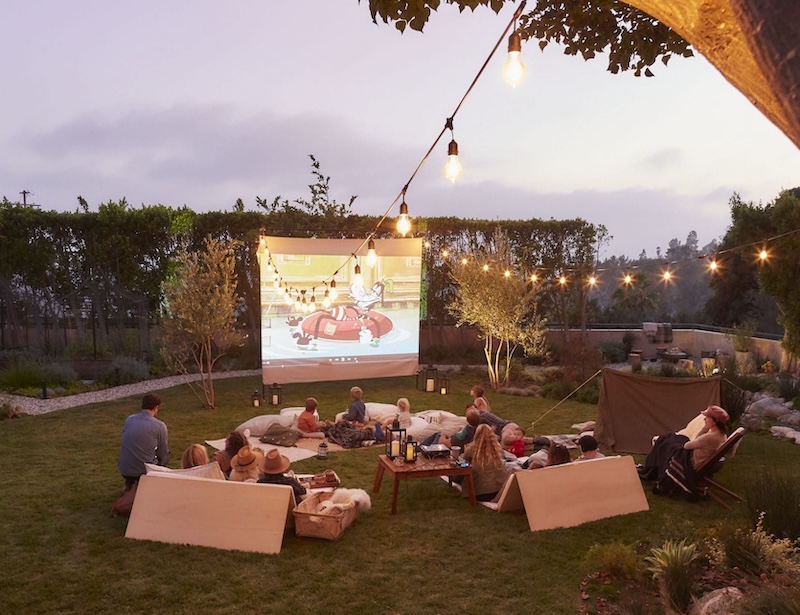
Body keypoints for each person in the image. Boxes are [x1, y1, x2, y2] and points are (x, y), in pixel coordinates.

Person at [639, 405, 729, 492]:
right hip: (696, 455)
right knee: (671, 437)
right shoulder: (722, 436)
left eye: (707, 418)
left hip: (689, 460)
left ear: (714, 421)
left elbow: (688, 445)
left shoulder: (710, 437)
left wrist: (705, 428)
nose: (704, 419)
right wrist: (706, 427)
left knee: (668, 443)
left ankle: (651, 469)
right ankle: (651, 468)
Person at [118, 393, 170, 490]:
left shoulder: (129, 420)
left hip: (125, 469)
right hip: (145, 471)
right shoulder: (159, 426)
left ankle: (130, 484)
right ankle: (153, 485)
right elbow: (163, 453)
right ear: (156, 407)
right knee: (164, 457)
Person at [461, 424, 513, 501]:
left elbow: (463, 461)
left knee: (463, 470)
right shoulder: (497, 448)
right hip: (498, 492)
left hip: (480, 493)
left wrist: (465, 451)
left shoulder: (472, 448)